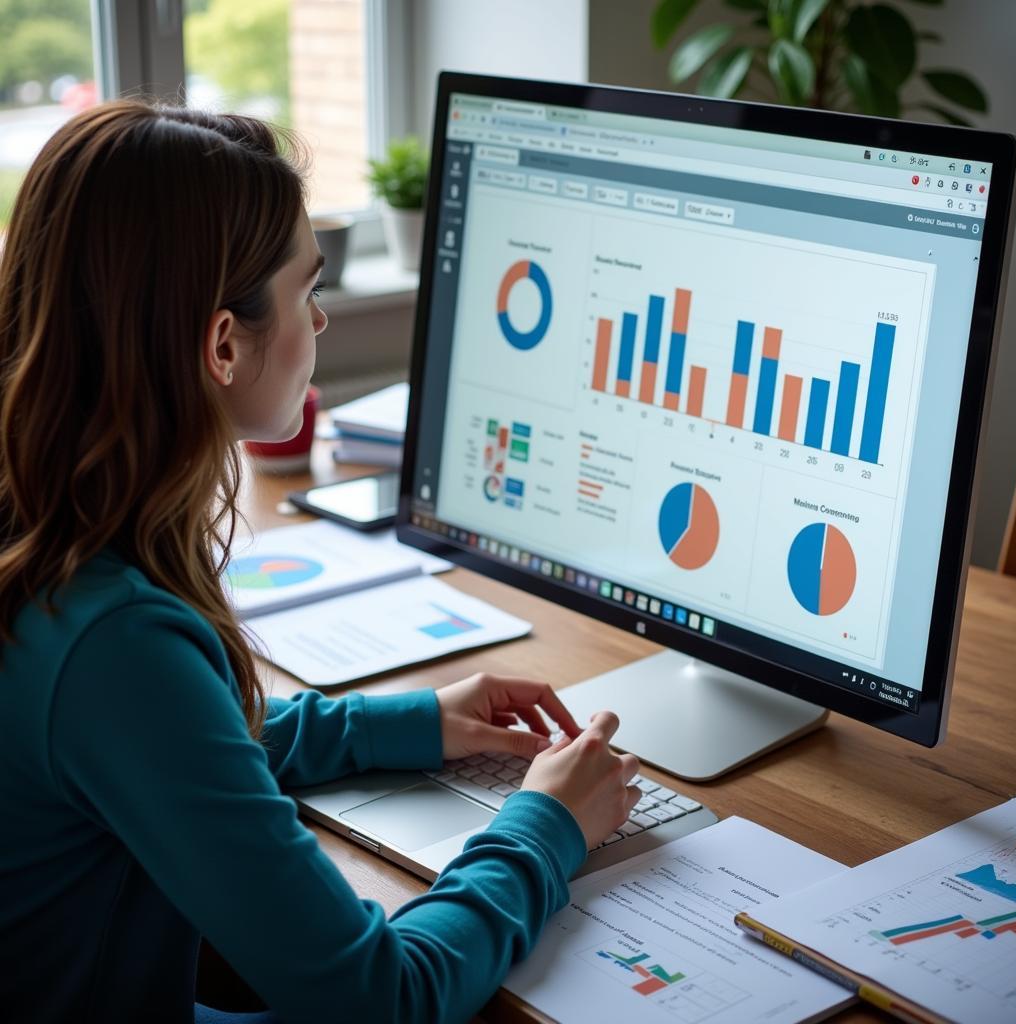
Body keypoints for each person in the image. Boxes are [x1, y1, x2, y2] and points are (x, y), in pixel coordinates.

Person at [0, 101, 641, 1023]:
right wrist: (547, 828)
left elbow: (165, 754)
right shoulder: (113, 643)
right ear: (222, 343)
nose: (322, 323)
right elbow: (381, 998)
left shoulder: (45, 535)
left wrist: (405, 722)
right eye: (309, 292)